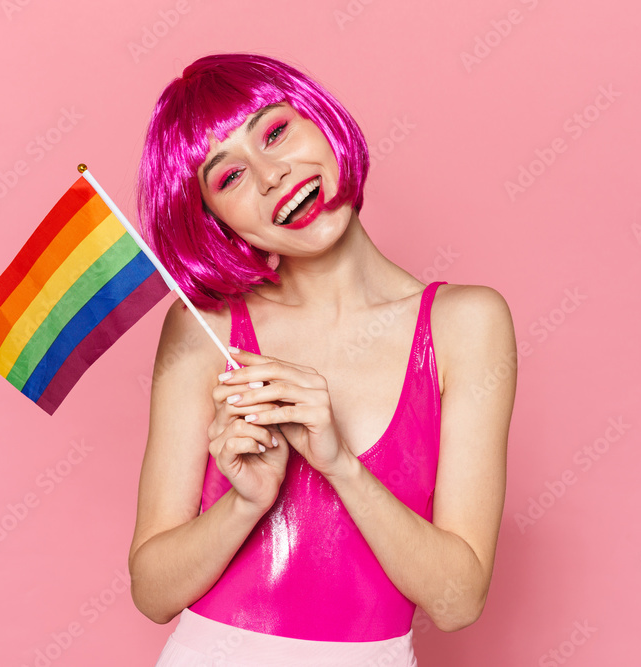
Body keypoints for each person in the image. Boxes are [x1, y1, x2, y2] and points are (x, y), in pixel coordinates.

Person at [128, 52, 517, 666]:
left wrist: (340, 465)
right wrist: (246, 502)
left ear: (321, 120)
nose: (270, 176)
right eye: (228, 177)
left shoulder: (466, 324)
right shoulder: (205, 330)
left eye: (275, 133)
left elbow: (458, 601)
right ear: (214, 221)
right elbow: (152, 592)